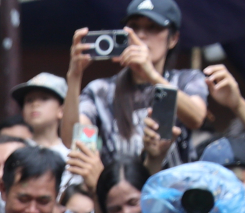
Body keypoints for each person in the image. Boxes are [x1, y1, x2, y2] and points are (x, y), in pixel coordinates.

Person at [65, 2, 209, 166]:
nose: (141, 35)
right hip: (119, 189)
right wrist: (74, 76)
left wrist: (151, 75)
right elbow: (73, 140)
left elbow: (196, 118)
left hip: (174, 189)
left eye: (153, 27)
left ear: (173, 39)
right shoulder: (101, 90)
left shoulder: (186, 80)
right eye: (134, 27)